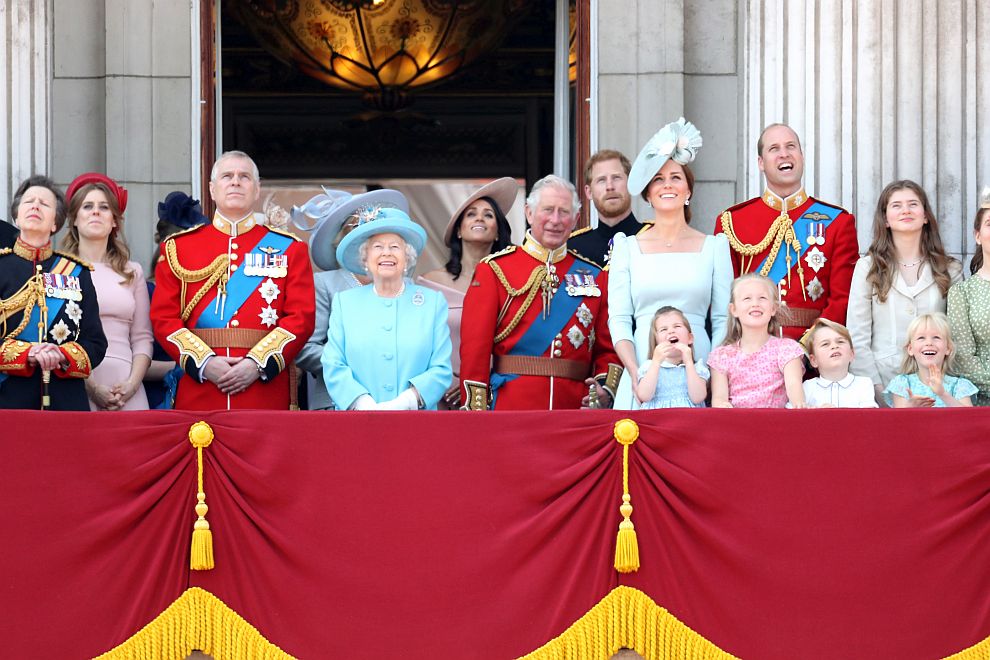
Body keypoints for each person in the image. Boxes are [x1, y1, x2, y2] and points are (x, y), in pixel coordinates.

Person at [150, 150, 315, 410]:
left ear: (257, 189)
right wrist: (204, 363)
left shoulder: (290, 249)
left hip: (263, 391)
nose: (236, 181)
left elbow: (301, 319)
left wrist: (257, 364)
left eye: (244, 177)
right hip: (201, 389)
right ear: (212, 189)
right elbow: (164, 319)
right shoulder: (178, 248)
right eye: (227, 176)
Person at [459, 174, 622, 410]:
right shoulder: (494, 270)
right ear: (529, 213)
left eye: (564, 212)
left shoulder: (597, 276)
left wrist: (604, 388)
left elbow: (609, 348)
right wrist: (476, 411)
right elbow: (475, 350)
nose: (555, 220)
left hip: (575, 410)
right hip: (511, 409)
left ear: (576, 218)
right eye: (548, 210)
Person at [610, 117, 732, 409]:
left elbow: (722, 321)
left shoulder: (715, 246)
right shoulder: (626, 247)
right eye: (658, 179)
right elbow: (619, 319)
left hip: (697, 370)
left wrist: (711, 378)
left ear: (688, 190)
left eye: (676, 177)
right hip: (641, 369)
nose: (668, 185)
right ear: (649, 194)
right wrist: (634, 372)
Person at [715, 123, 859, 341]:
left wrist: (809, 347)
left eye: (790, 147)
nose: (784, 154)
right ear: (761, 163)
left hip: (815, 355)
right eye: (774, 149)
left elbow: (842, 298)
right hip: (752, 351)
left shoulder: (837, 221)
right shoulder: (732, 222)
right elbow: (724, 300)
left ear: (801, 156)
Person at [321, 207, 452, 410]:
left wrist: (406, 402)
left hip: (415, 423)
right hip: (356, 422)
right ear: (365, 259)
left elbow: (441, 369)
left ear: (407, 258)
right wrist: (362, 403)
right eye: (377, 247)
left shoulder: (432, 303)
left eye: (395, 247)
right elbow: (333, 364)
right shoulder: (344, 303)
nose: (386, 253)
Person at [847, 180, 962, 404]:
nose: (906, 210)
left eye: (913, 204)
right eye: (896, 205)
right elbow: (857, 335)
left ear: (926, 216)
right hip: (882, 383)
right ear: (886, 219)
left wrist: (944, 390)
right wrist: (878, 393)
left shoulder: (950, 269)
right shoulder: (868, 267)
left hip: (938, 388)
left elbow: (956, 335)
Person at [294, 187, 408, 410]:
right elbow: (306, 349)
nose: (363, 236)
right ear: (341, 239)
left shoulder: (406, 286)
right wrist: (356, 361)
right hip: (336, 402)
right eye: (355, 229)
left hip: (397, 403)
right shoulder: (325, 283)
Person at [0, 175, 107, 410]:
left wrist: (61, 354)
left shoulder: (77, 273)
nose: (36, 206)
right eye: (29, 202)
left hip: (66, 401)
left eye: (44, 204)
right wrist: (25, 353)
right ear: (16, 217)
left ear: (55, 223)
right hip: (8, 400)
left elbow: (96, 343)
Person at [418, 177, 516, 408]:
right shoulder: (429, 283)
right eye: (471, 214)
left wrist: (475, 385)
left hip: (496, 392)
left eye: (489, 215)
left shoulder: (513, 285)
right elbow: (418, 341)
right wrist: (444, 382)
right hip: (440, 393)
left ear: (498, 233)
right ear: (459, 231)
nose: (480, 217)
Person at [63, 173, 154, 411]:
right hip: (76, 385)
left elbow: (142, 338)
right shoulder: (59, 272)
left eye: (104, 207)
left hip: (126, 385)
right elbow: (58, 340)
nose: (96, 212)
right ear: (74, 218)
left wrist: (132, 384)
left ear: (114, 220)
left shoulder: (132, 271)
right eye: (87, 206)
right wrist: (92, 388)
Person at [143, 191, 210, 408]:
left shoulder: (210, 294)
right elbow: (138, 360)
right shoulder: (146, 291)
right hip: (158, 399)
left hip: (205, 393)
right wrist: (192, 365)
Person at [708, 273, 806, 408]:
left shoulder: (787, 349)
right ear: (733, 309)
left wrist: (799, 405)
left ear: (773, 308)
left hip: (777, 425)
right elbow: (719, 399)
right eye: (747, 298)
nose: (755, 304)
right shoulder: (721, 356)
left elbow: (795, 392)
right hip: (737, 425)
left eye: (762, 298)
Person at [947, 189, 990, 406]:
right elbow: (962, 356)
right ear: (977, 235)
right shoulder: (962, 292)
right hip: (982, 405)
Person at [885, 312, 975, 407]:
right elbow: (897, 420)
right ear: (910, 349)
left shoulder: (960, 385)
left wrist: (943, 394)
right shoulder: (901, 384)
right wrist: (910, 407)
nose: (929, 342)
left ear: (948, 348)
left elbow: (968, 418)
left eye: (936, 337)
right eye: (921, 338)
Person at [569, 149, 642, 265]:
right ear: (589, 192)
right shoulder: (574, 249)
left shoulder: (652, 240)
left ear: (630, 183)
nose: (610, 186)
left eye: (616, 178)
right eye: (601, 180)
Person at [634, 306, 709, 409]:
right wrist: (656, 362)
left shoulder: (697, 368)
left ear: (690, 338)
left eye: (677, 326)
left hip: (689, 420)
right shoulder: (649, 367)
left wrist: (689, 363)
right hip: (658, 420)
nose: (671, 331)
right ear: (656, 342)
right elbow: (644, 396)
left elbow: (698, 397)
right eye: (663, 329)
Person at [802, 318, 878, 408]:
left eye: (840, 342)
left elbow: (869, 417)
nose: (834, 346)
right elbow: (792, 415)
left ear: (851, 354)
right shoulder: (807, 387)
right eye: (825, 344)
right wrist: (816, 413)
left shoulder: (863, 384)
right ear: (813, 360)